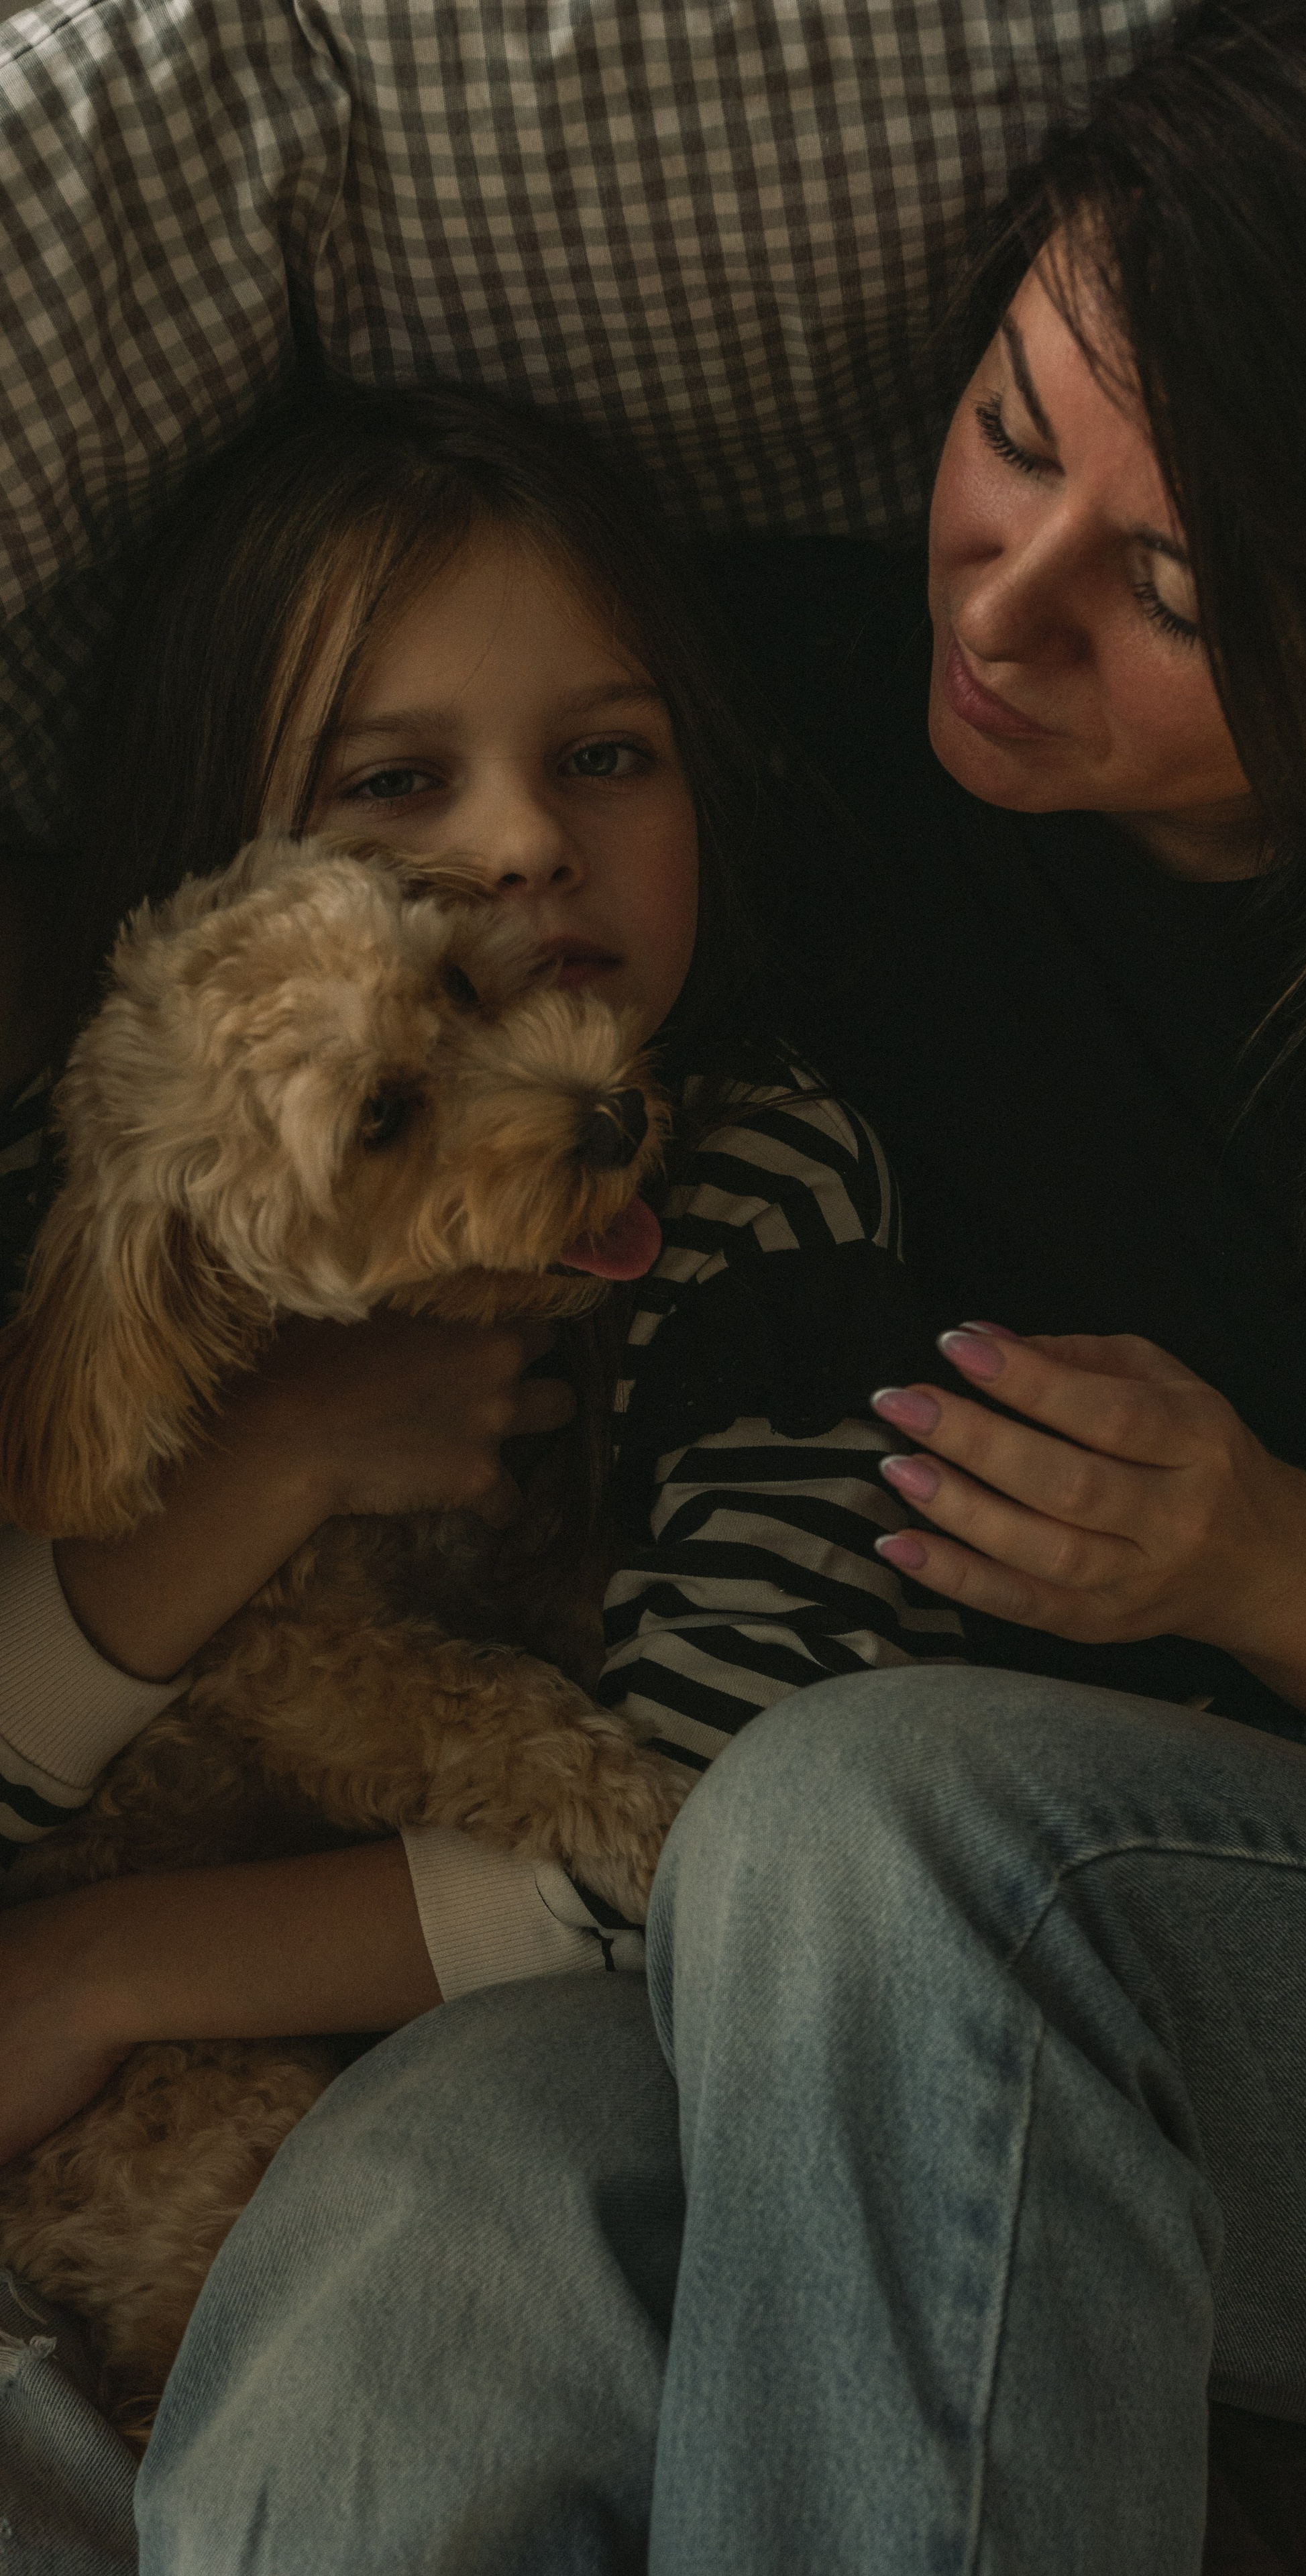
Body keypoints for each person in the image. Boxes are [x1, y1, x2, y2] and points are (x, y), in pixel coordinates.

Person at [11, 0, 1306, 2568]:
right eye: (1010, 433)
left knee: (856, 1812)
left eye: (1164, 586)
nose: (1005, 609)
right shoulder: (735, 736)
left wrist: (1269, 1560)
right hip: (758, 2000)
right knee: (414, 2212)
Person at [0, 384, 961, 2396]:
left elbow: (713, 1853)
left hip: (502, 2054)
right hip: (160, 2136)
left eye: (606, 755)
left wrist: (90, 1974)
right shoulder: (102, 1217)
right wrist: (251, 1485)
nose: (521, 845)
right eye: (396, 786)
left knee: (425, 2238)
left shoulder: (752, 1196)